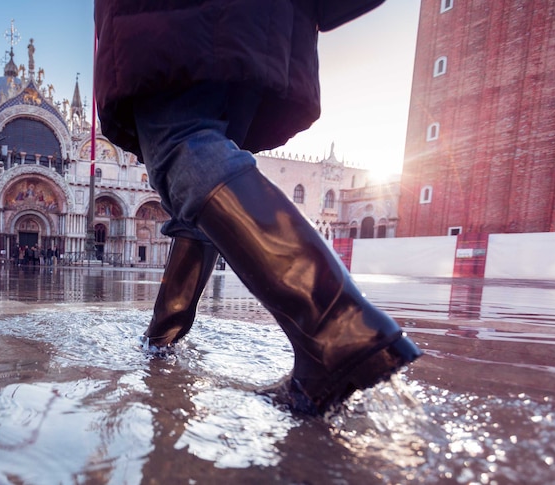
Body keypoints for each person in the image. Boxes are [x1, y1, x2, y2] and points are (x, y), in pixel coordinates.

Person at [94, 0, 420, 414]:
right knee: (198, 177)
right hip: (257, 22)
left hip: (177, 17)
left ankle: (338, 327)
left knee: (182, 144)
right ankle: (161, 337)